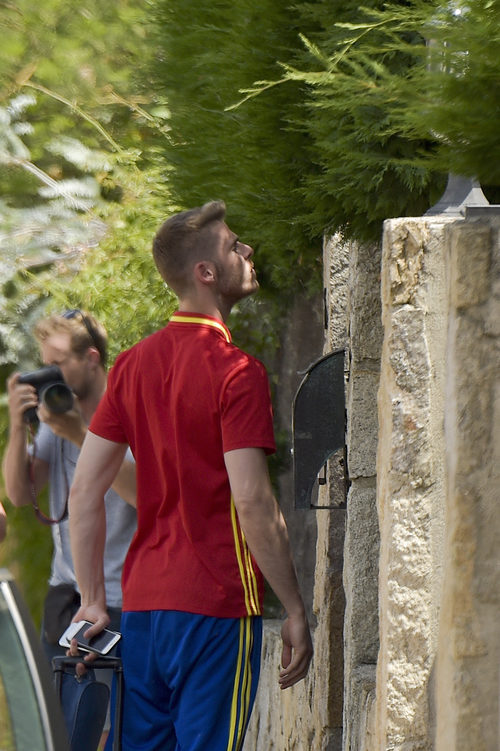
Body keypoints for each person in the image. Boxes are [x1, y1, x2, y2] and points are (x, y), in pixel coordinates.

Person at [68, 201, 313, 751]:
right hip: (217, 608)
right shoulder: (237, 372)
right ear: (205, 273)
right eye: (233, 246)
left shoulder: (130, 365)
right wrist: (294, 608)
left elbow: (84, 490)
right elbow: (251, 500)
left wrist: (91, 601)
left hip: (144, 613)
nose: (247, 251)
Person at [2, 310, 137, 742]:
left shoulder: (128, 410)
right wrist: (18, 427)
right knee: (58, 736)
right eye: (43, 364)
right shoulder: (54, 415)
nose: (48, 375)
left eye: (57, 363)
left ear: (92, 358)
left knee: (123, 734)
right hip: (66, 601)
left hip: (122, 601)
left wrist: (80, 433)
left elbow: (143, 495)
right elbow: (21, 495)